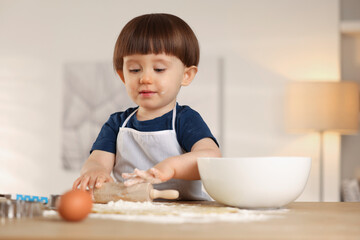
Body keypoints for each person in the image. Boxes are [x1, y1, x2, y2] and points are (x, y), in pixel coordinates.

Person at [72, 13, 221, 200]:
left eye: (159, 69)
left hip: (182, 216)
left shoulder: (185, 119)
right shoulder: (117, 124)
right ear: (122, 76)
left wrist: (171, 167)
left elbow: (211, 156)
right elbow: (97, 160)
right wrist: (95, 171)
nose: (145, 78)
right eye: (134, 70)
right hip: (129, 211)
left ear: (186, 75)